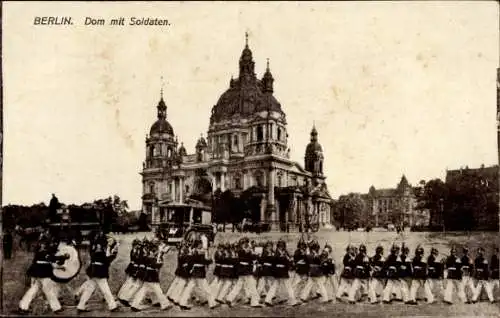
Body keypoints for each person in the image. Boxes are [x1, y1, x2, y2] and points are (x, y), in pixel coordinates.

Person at [18, 233, 62, 314]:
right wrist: (62, 257)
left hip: (37, 272)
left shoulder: (40, 251)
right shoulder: (45, 251)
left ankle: (23, 307)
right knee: (48, 290)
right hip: (43, 273)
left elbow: (49, 258)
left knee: (33, 290)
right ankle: (56, 308)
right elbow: (51, 258)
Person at [76, 232, 119, 312]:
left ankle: (80, 306)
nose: (109, 240)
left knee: (89, 289)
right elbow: (107, 260)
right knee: (105, 290)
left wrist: (113, 251)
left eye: (111, 239)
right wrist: (113, 253)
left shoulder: (98, 246)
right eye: (109, 239)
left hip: (94, 270)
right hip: (99, 271)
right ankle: (113, 306)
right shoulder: (102, 248)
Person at [130, 239, 172, 311]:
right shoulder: (153, 252)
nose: (159, 245)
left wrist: (160, 253)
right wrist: (160, 256)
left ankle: (135, 304)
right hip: (151, 273)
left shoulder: (150, 251)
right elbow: (156, 263)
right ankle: (165, 304)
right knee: (157, 289)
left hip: (148, 273)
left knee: (144, 289)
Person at [178, 238, 217, 310]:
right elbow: (205, 261)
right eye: (201, 244)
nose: (202, 245)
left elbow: (191, 261)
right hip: (199, 272)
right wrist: (210, 259)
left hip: (194, 271)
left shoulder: (193, 251)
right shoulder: (200, 251)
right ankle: (212, 303)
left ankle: (182, 303)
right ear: (198, 244)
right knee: (206, 288)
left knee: (189, 288)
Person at [226, 238, 261, 307]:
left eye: (246, 243)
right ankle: (254, 302)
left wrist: (255, 255)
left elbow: (252, 257)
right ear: (243, 243)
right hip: (246, 271)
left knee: (238, 286)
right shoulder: (241, 250)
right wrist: (254, 253)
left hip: (243, 270)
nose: (247, 244)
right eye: (245, 243)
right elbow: (250, 255)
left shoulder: (243, 250)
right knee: (252, 286)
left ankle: (229, 298)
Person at [265, 239, 298, 306]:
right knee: (288, 286)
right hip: (281, 272)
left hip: (281, 271)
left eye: (282, 246)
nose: (282, 247)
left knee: (275, 286)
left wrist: (289, 261)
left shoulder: (282, 252)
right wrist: (286, 259)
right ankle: (293, 301)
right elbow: (275, 260)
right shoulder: (277, 253)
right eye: (281, 246)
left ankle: (267, 299)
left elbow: (287, 260)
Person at [300, 239, 327, 304]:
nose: (318, 249)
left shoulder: (308, 255)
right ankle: (325, 298)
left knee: (309, 285)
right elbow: (320, 262)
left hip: (311, 272)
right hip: (317, 272)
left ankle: (303, 297)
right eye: (317, 248)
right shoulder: (316, 255)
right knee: (321, 285)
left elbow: (306, 260)